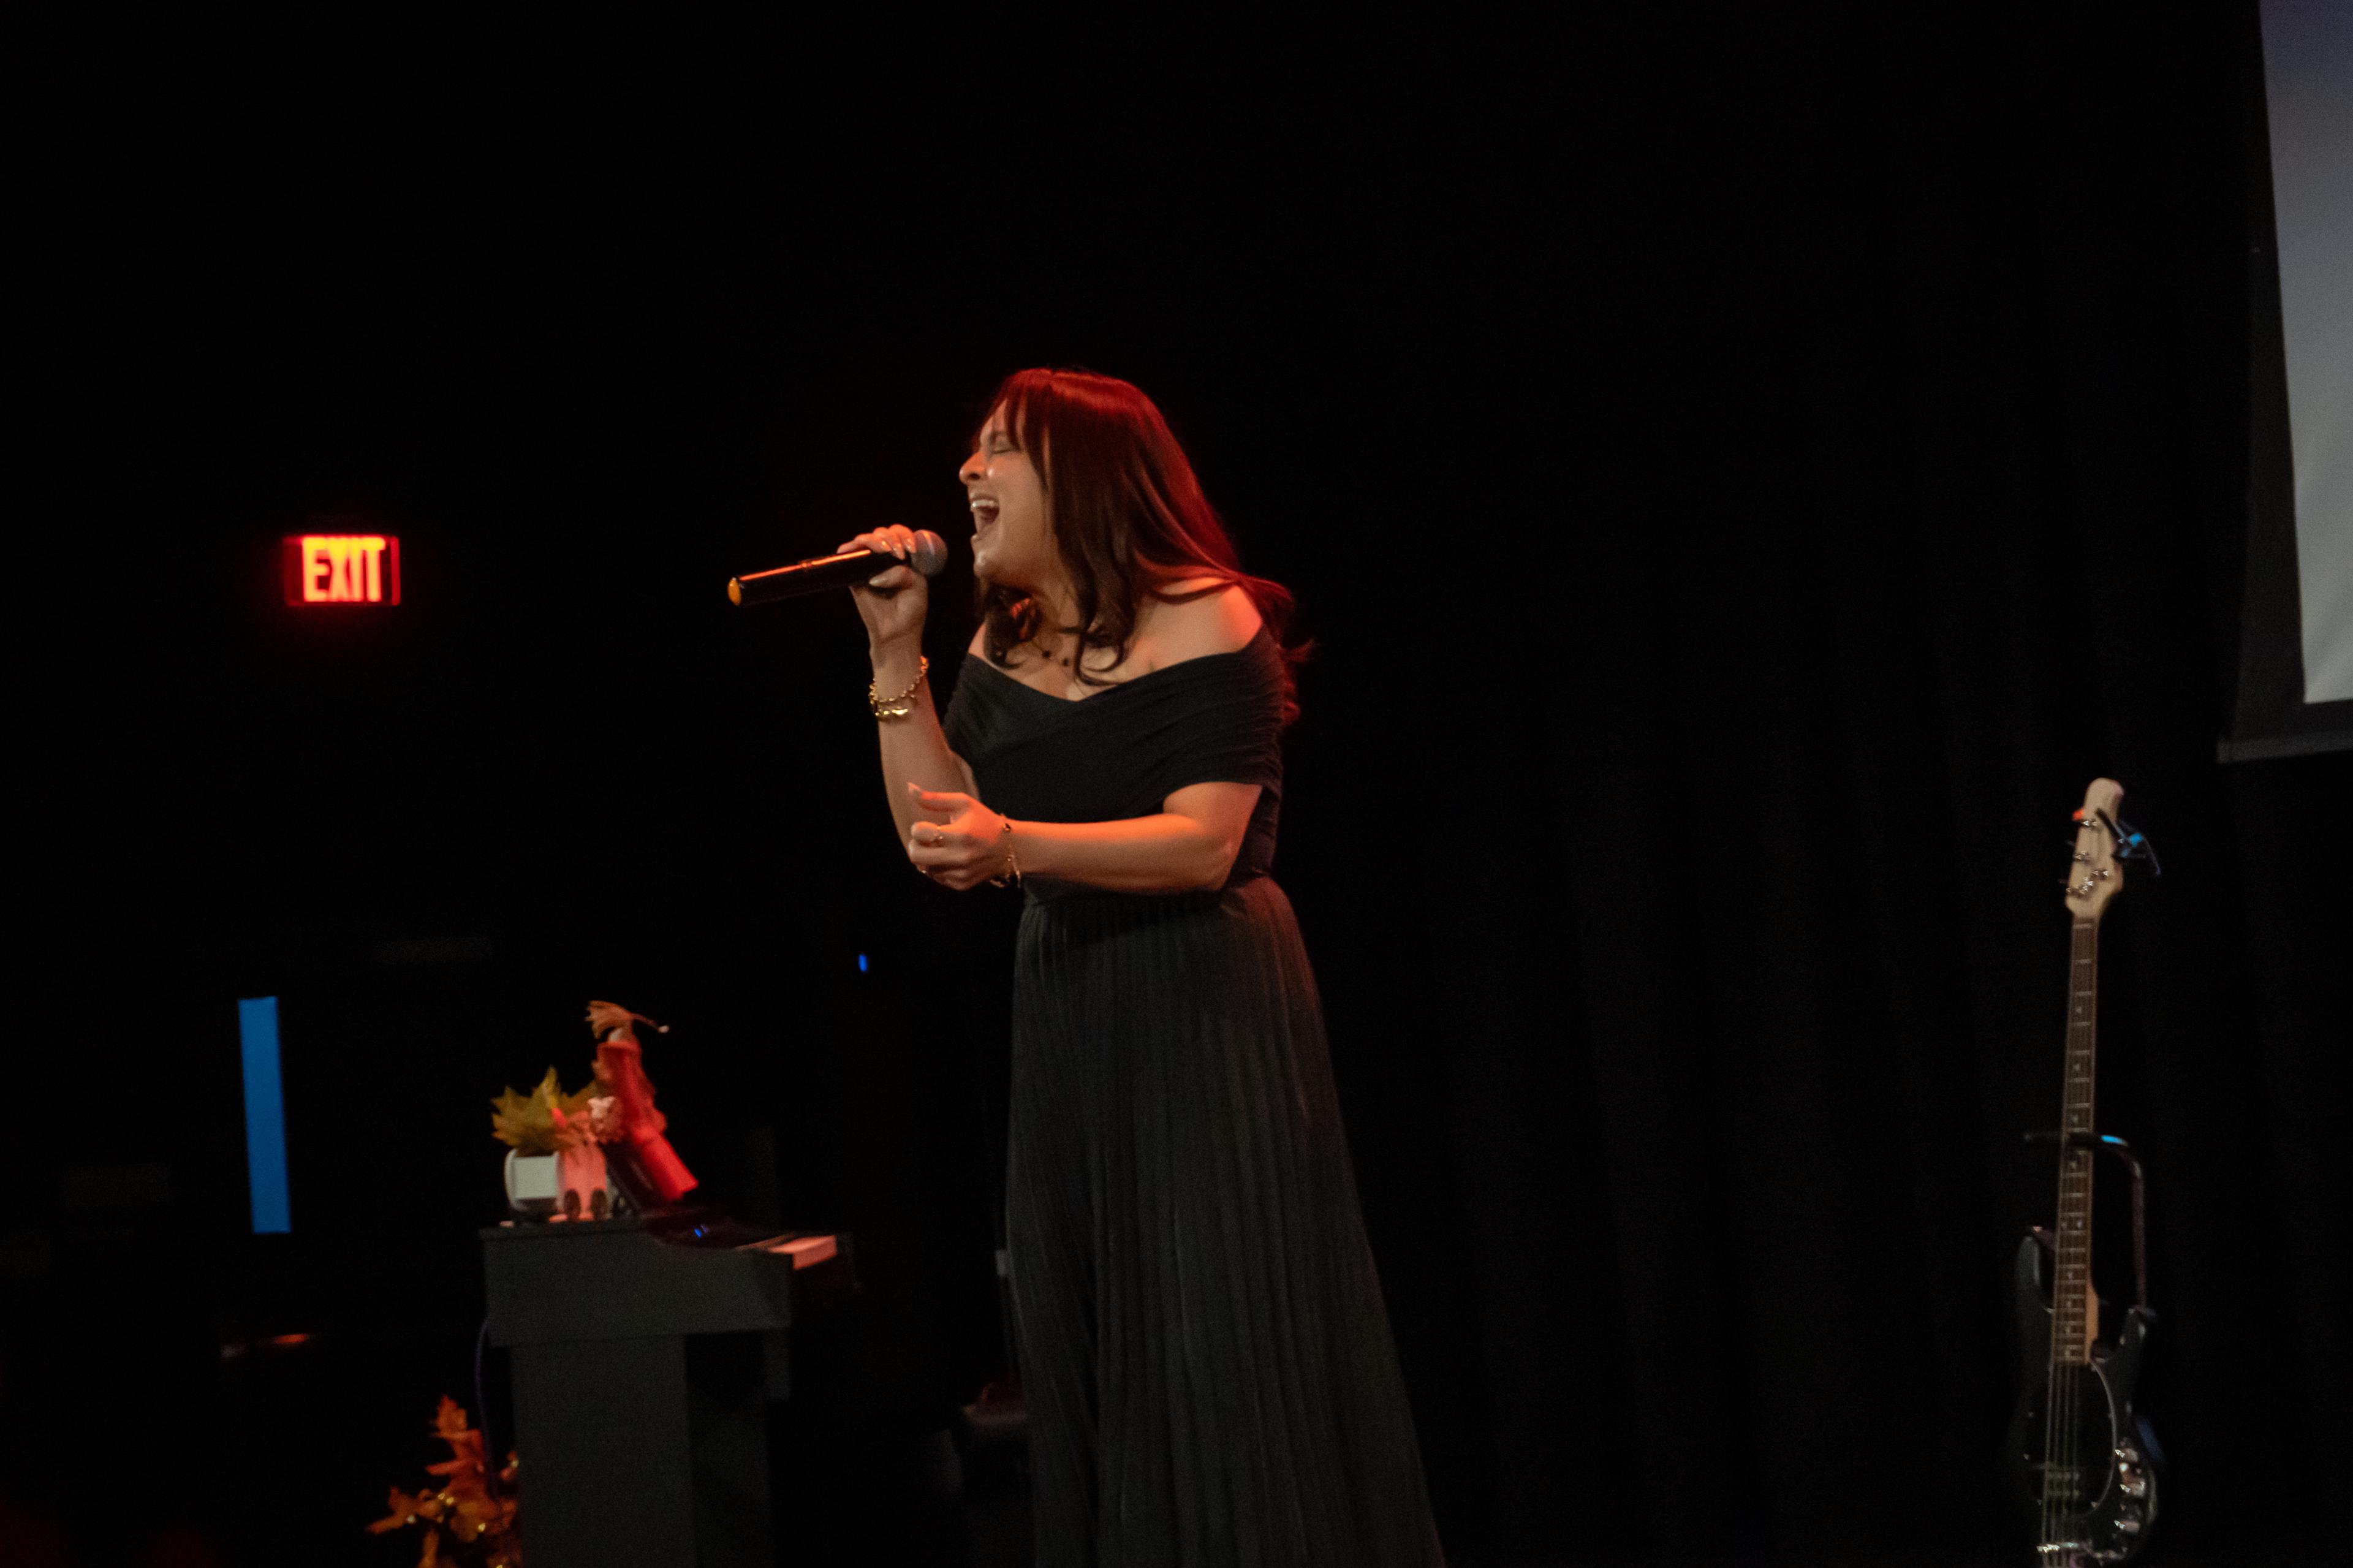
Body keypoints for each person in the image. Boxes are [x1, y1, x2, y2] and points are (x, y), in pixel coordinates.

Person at [840, 368, 1444, 1567]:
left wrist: (1019, 844)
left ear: (1085, 476)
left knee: (1219, 1327)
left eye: (1000, 449)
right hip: (1072, 997)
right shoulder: (1005, 639)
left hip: (1205, 999)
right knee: (1096, 1329)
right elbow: (938, 836)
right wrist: (896, 651)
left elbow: (1204, 841)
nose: (967, 471)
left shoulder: (1209, 615)